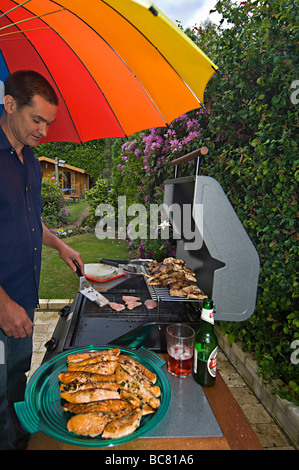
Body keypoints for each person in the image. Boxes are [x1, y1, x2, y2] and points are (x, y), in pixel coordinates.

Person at [0, 70, 84, 450]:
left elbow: (30, 222)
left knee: (18, 381)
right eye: (37, 120)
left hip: (24, 301)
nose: (45, 132)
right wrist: (2, 304)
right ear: (10, 104)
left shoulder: (31, 160)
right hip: (3, 304)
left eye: (49, 123)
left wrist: (60, 246)